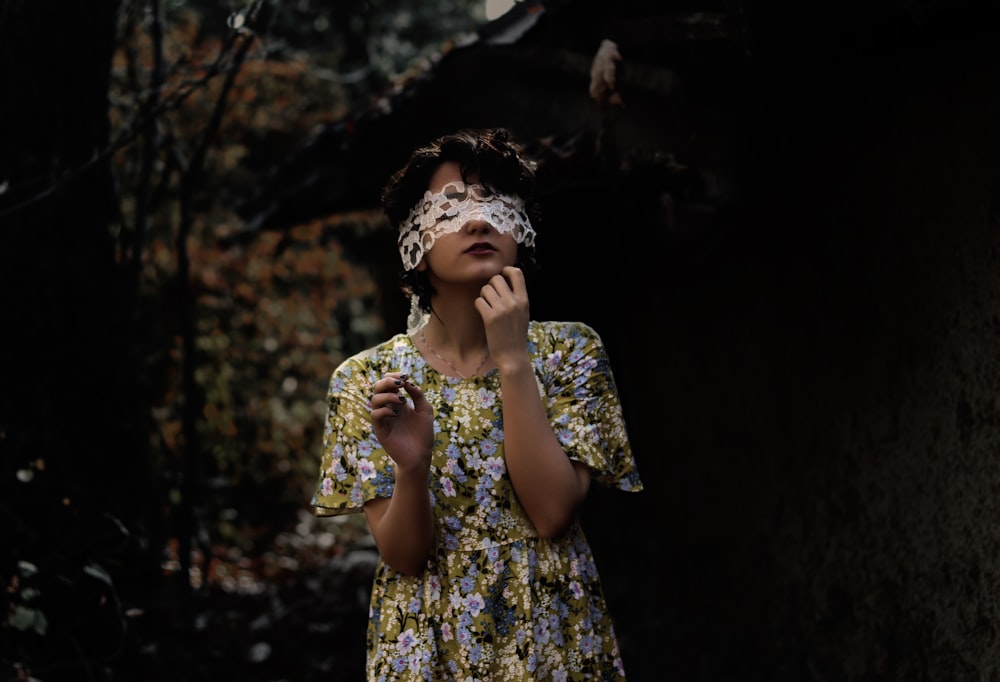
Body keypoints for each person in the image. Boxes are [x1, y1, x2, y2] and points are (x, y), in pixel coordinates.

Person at [312, 127, 643, 681]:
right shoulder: (367, 381)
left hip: (548, 640)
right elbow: (404, 556)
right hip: (425, 646)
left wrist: (514, 359)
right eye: (450, 206)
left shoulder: (571, 352)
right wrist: (412, 467)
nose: (478, 219)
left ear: (523, 232)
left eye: (495, 203)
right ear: (415, 247)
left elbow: (553, 513)